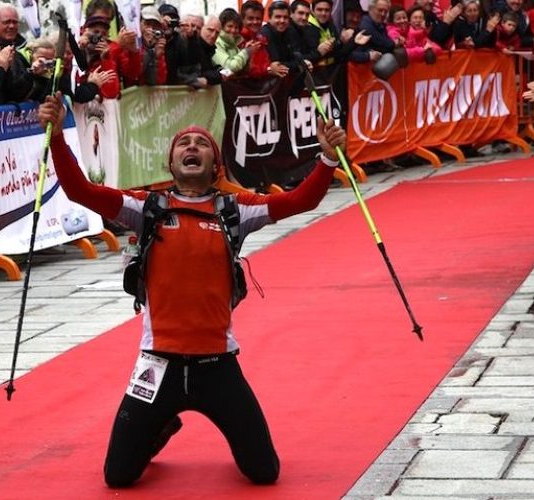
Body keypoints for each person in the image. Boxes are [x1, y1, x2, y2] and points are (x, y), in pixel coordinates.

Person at [37, 91, 347, 487]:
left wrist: (327, 158)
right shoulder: (145, 207)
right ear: (171, 162)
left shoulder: (235, 209)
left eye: (202, 143)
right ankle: (159, 426)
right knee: (118, 477)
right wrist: (57, 137)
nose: (192, 147)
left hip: (217, 366)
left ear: (214, 163)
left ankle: (165, 420)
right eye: (184, 142)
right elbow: (81, 191)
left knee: (264, 473)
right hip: (157, 364)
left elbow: (299, 201)